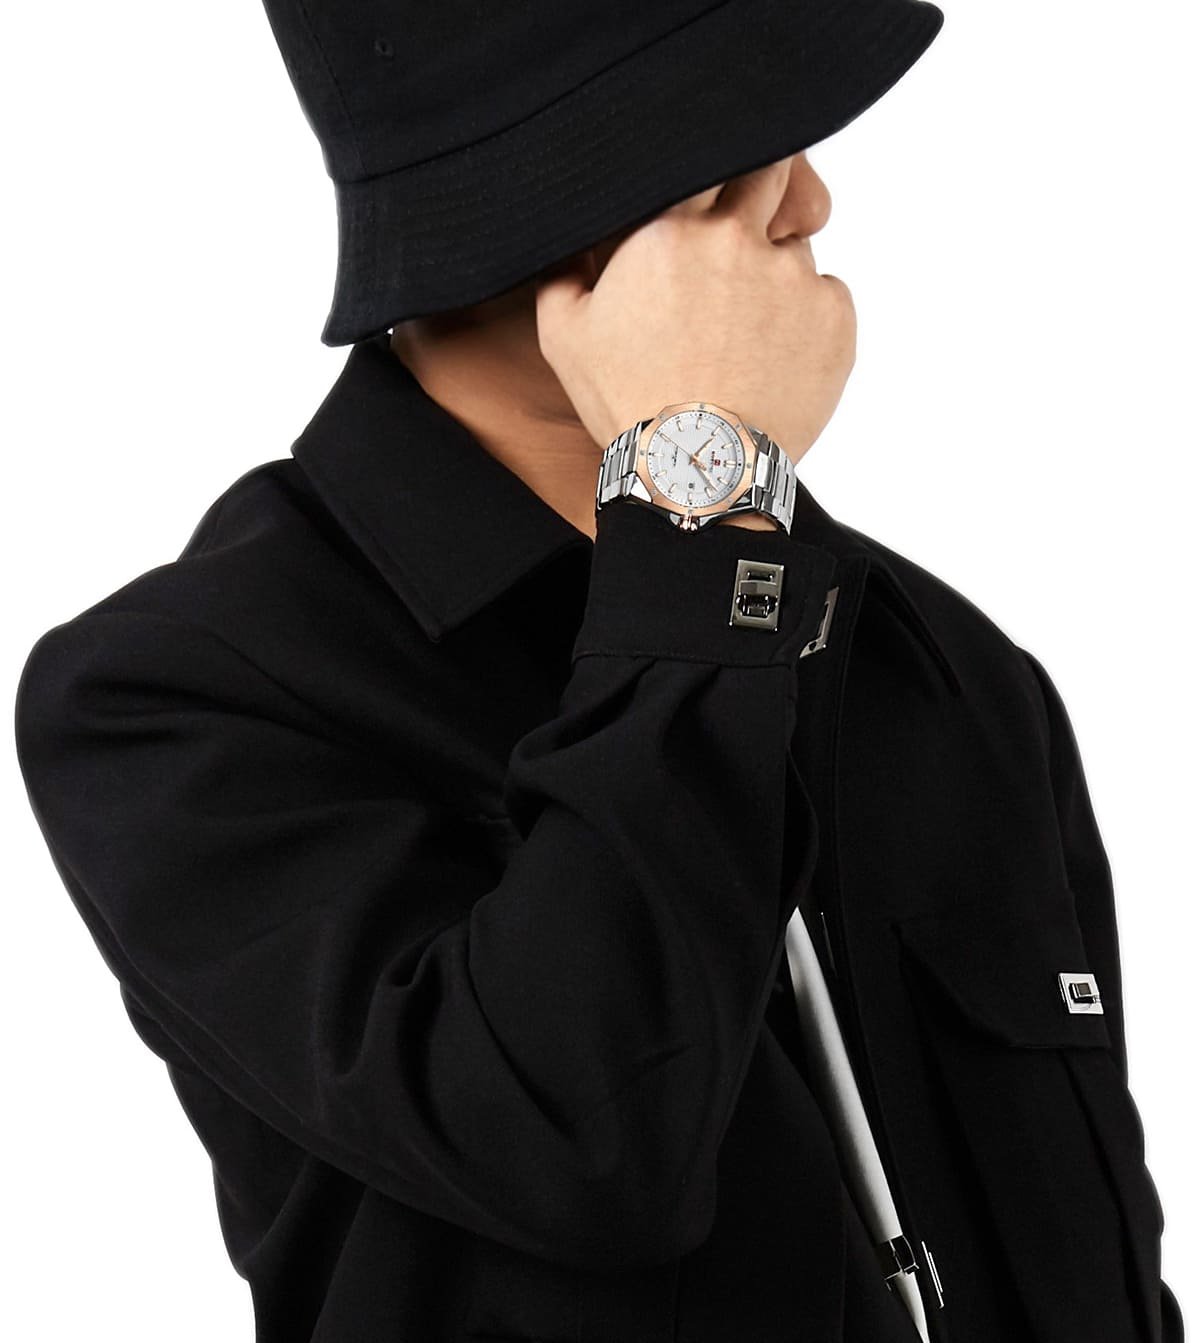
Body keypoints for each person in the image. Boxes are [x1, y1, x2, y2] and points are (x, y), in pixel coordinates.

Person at [13, 2, 1184, 1340]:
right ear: (558, 209)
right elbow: (583, 1141)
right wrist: (706, 497)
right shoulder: (181, 695)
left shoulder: (943, 669)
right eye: (743, 162)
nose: (811, 205)